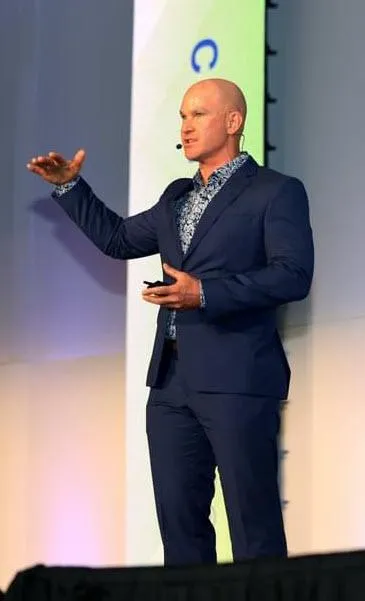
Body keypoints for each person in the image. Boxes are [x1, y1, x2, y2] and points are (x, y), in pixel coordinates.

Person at [27, 78, 314, 565]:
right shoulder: (176, 198)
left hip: (238, 378)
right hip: (170, 384)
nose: (186, 125)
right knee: (180, 529)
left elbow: (292, 276)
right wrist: (69, 187)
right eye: (182, 116)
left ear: (233, 121)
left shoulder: (275, 192)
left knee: (254, 527)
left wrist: (204, 293)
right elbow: (117, 239)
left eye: (198, 114)